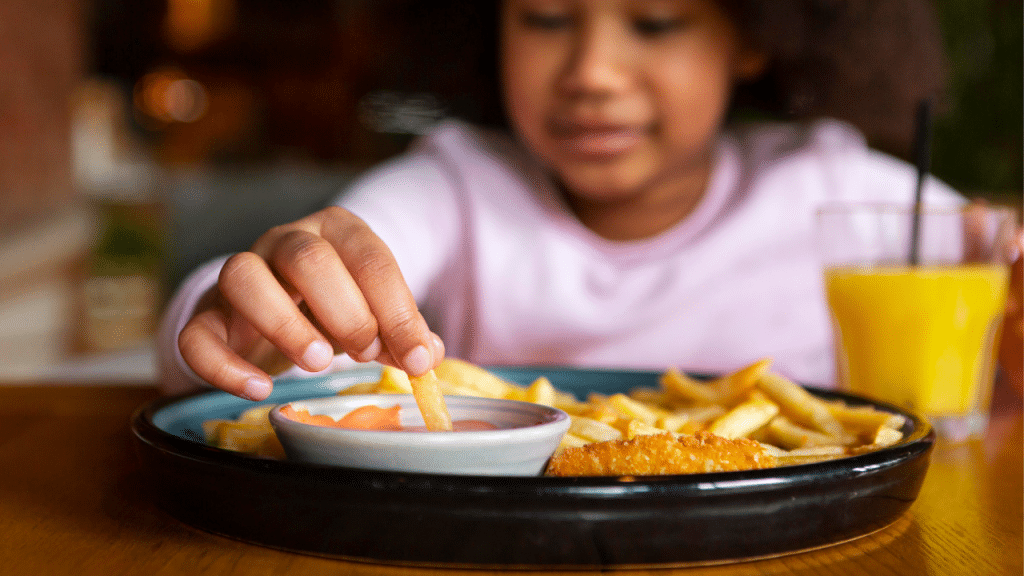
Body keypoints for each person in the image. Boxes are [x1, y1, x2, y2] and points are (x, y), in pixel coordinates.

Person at [158, 0, 1022, 401]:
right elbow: (276, 298)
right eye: (543, 18)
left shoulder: (840, 188)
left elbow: (996, 285)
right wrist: (245, 319)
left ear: (755, 36)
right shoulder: (458, 187)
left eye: (654, 23)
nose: (591, 74)